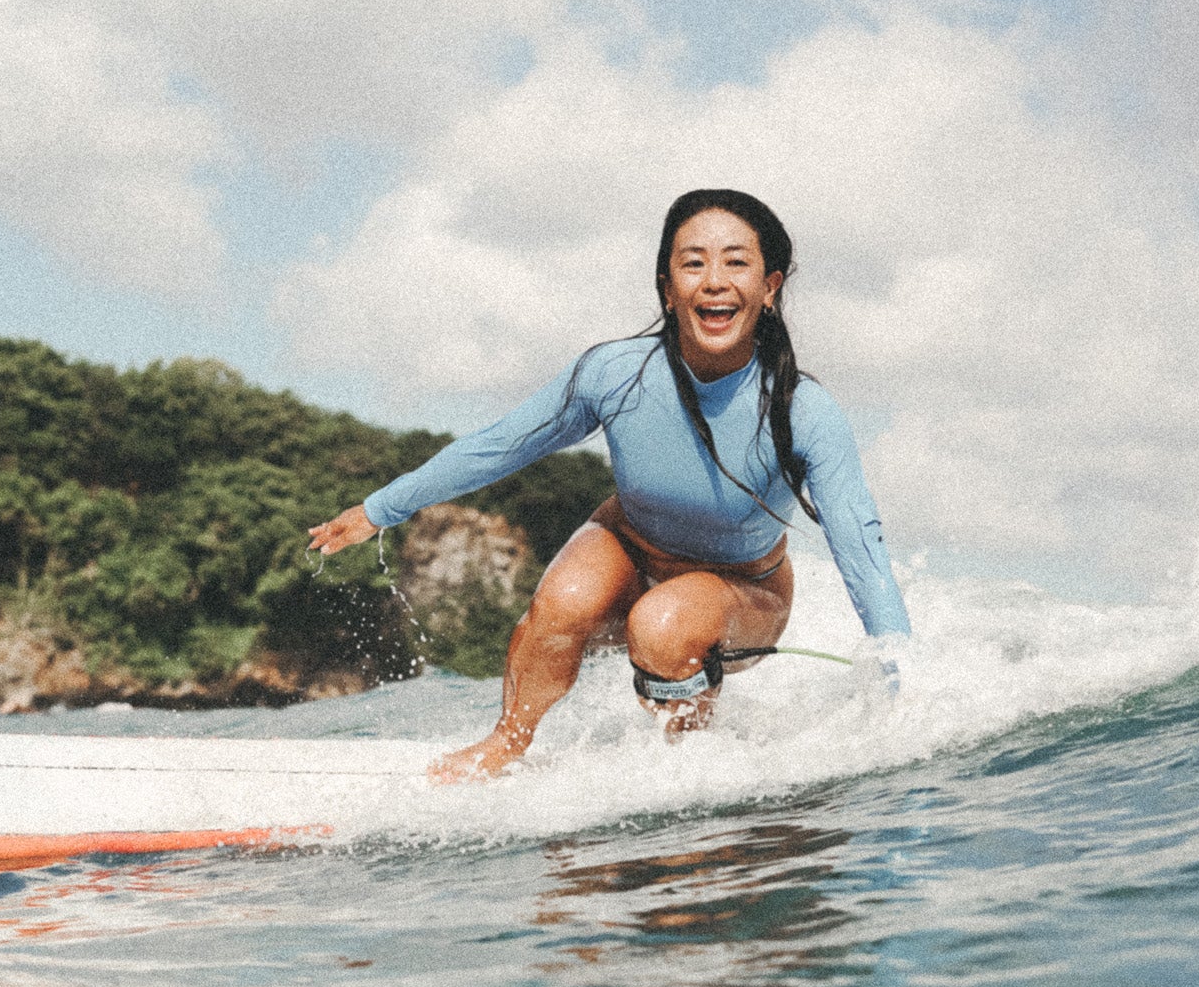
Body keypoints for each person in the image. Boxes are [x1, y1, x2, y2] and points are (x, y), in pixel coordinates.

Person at [308, 189, 910, 783]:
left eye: (736, 261)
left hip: (742, 590)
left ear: (770, 289)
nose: (715, 280)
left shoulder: (803, 411)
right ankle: (506, 743)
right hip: (630, 544)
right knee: (561, 603)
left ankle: (690, 761)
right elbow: (502, 444)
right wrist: (381, 509)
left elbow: (861, 551)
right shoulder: (616, 375)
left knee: (664, 624)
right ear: (667, 289)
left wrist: (901, 686)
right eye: (693, 262)